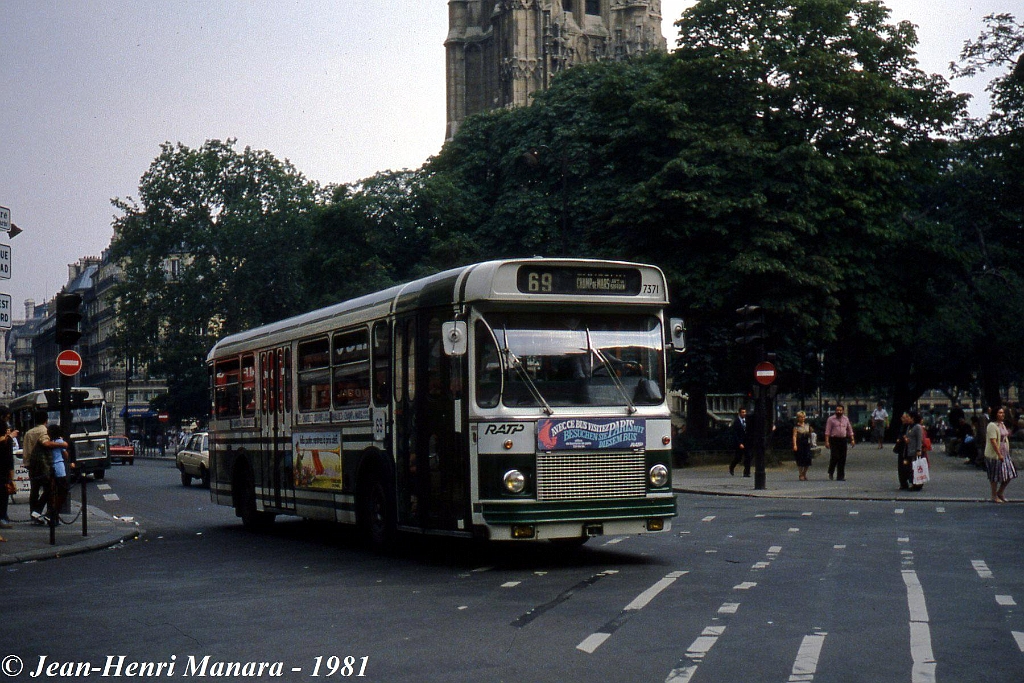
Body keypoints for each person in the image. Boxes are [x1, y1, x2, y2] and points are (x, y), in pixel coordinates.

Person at [22, 408, 52, 524]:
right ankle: (44, 512)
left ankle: (33, 515)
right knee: (49, 489)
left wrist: (27, 463)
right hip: (45, 464)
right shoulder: (46, 432)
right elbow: (46, 444)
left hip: (32, 465)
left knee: (34, 491)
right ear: (46, 420)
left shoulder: (28, 433)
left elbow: (26, 451)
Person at [985, 406, 1016, 503]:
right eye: (1000, 413)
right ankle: (994, 495)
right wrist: (999, 454)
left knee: (1010, 474)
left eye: (1003, 413)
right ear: (995, 414)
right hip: (995, 455)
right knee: (994, 476)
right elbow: (993, 441)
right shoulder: (992, 425)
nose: (1002, 414)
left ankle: (1000, 492)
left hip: (1005, 453)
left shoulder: (1002, 424)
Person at [46, 425, 70, 523]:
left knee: (53, 492)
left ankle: (51, 513)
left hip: (50, 468)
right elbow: (65, 455)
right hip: (59, 467)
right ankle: (54, 513)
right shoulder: (60, 442)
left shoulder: (49, 442)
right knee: (63, 491)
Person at [824, 404, 855, 481]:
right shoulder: (831, 419)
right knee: (835, 457)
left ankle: (840, 476)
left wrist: (852, 439)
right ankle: (831, 472)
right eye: (837, 410)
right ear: (835, 411)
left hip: (843, 440)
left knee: (842, 458)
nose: (839, 412)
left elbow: (850, 430)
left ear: (843, 411)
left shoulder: (846, 419)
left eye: (840, 410)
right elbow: (827, 431)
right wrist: (827, 441)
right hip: (834, 440)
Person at [0, 405, 18, 532]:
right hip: (2, 465)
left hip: (5, 464)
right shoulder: (2, 426)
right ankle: (2, 516)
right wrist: (10, 436)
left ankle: (3, 515)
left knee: (4, 491)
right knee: (2, 492)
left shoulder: (4, 425)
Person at [906, 411, 926, 491]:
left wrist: (918, 449)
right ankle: (913, 483)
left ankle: (918, 484)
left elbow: (919, 439)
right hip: (909, 449)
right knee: (911, 468)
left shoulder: (917, 427)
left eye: (909, 417)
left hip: (915, 450)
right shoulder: (909, 427)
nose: (908, 418)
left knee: (917, 468)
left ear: (913, 418)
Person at [895, 412, 914, 490]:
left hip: (907, 449)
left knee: (907, 466)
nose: (902, 419)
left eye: (904, 417)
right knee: (901, 467)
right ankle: (903, 483)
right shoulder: (902, 426)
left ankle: (909, 481)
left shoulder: (911, 427)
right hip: (901, 449)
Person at [792, 411, 813, 481]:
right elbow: (794, 436)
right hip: (800, 443)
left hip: (806, 443)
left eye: (804, 417)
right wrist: (795, 445)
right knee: (800, 459)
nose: (803, 418)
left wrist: (812, 441)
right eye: (801, 417)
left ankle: (804, 473)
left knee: (808, 459)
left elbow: (810, 435)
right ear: (798, 418)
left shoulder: (807, 425)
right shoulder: (796, 427)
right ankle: (801, 474)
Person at [728, 408, 749, 477]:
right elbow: (735, 434)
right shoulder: (736, 422)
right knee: (738, 457)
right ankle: (732, 466)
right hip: (739, 442)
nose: (744, 414)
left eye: (745, 412)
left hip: (746, 441)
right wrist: (739, 443)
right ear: (739, 413)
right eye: (743, 412)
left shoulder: (747, 421)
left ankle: (746, 472)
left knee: (748, 456)